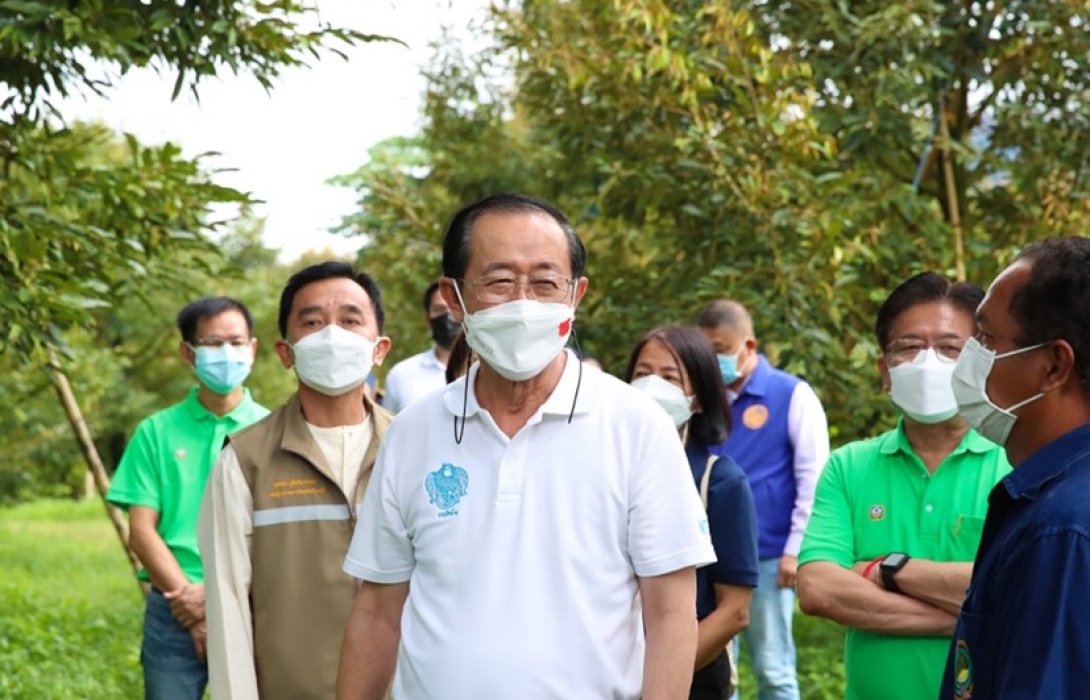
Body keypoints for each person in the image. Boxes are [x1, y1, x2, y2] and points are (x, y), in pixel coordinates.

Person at [336, 192, 715, 700]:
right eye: (498, 282)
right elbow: (378, 611)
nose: (523, 304)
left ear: (575, 294)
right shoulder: (413, 431)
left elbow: (670, 613)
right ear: (454, 297)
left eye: (544, 283)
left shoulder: (637, 427)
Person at [795, 272, 1010, 700]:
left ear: (981, 361)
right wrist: (970, 614)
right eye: (908, 347)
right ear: (884, 370)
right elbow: (818, 588)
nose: (928, 362)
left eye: (950, 348)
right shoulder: (849, 466)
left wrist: (881, 571)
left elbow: (1022, 588)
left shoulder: (1017, 463)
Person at [199, 261, 394, 700]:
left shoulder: (416, 450)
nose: (331, 335)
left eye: (349, 320)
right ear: (285, 352)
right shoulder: (245, 461)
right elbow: (227, 606)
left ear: (378, 348)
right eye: (312, 321)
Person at [939, 237, 1090, 698]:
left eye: (985, 338)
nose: (970, 357)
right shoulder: (1046, 500)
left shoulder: (1062, 529)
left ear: (1053, 366)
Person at [106, 296, 269, 700]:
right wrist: (194, 604)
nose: (226, 353)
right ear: (188, 353)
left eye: (235, 342)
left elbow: (281, 531)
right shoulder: (155, 432)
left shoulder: (274, 430)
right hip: (173, 609)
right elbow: (141, 532)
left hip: (254, 605)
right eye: (213, 344)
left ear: (253, 348)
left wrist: (219, 601)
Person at [697, 300, 829, 700]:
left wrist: (796, 549)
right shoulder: (706, 400)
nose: (714, 360)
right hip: (710, 557)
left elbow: (813, 476)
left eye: (720, 349)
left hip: (770, 556)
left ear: (748, 345)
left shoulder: (790, 394)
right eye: (707, 352)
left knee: (773, 669)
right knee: (718, 669)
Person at [625, 325, 759, 700]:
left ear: (697, 399)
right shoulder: (601, 468)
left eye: (670, 377)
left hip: (690, 680)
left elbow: (734, 611)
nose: (653, 386)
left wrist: (656, 680)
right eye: (642, 374)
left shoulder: (721, 481)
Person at [381, 280, 458, 412]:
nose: (448, 316)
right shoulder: (401, 375)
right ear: (428, 319)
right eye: (439, 310)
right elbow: (389, 428)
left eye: (454, 308)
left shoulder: (490, 373)